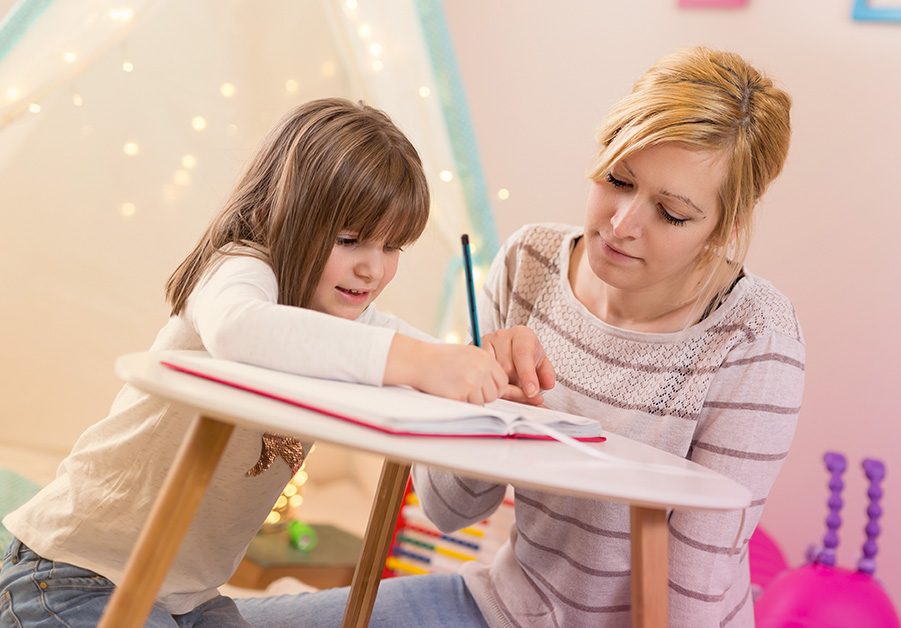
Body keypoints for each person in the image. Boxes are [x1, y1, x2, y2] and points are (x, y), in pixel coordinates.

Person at [239, 46, 805, 628]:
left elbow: (693, 587)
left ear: (725, 226)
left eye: (672, 213)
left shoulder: (754, 335)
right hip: (502, 607)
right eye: (618, 179)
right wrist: (484, 413)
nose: (622, 223)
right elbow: (446, 510)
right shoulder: (527, 264)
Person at [0, 98, 508, 627]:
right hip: (73, 574)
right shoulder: (237, 270)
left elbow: (435, 366)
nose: (372, 268)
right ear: (274, 213)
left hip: (186, 599)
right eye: (350, 240)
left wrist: (485, 374)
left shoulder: (353, 320)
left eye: (392, 247)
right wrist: (419, 360)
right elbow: (242, 330)